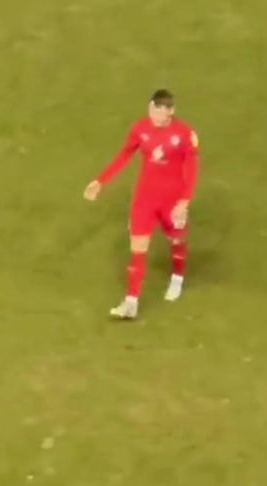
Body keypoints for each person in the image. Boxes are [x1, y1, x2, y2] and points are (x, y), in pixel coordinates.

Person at [84, 89, 199, 319]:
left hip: (172, 201)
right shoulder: (140, 129)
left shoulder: (185, 134)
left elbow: (192, 170)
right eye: (151, 110)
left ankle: (177, 277)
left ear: (170, 112)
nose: (153, 116)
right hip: (144, 199)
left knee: (177, 240)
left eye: (158, 112)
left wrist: (184, 201)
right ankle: (131, 302)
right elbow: (124, 156)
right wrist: (100, 181)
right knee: (137, 249)